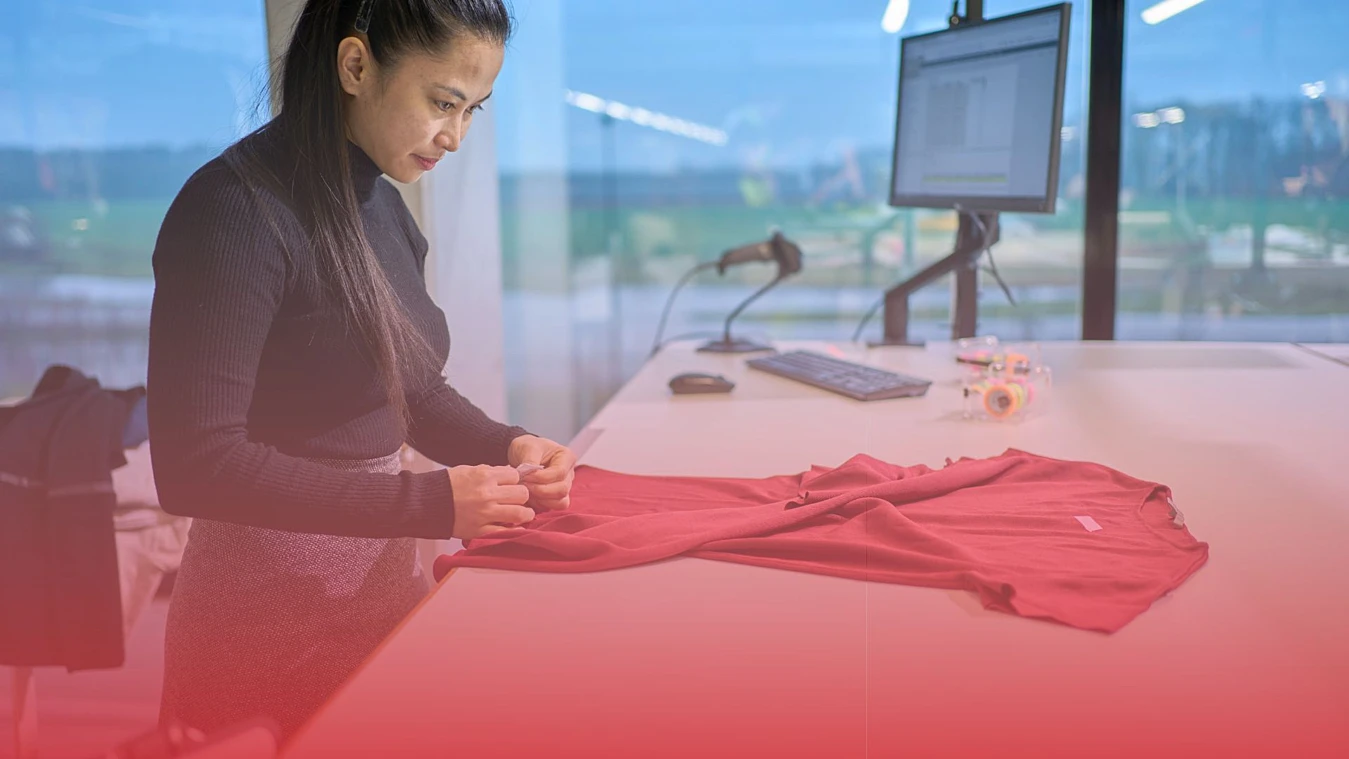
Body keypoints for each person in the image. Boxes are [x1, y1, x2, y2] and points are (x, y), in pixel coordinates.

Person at [145, 0, 574, 742]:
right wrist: (429, 505)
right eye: (443, 102)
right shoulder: (232, 210)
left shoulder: (378, 199)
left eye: (473, 109)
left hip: (381, 594)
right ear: (354, 65)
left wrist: (506, 446)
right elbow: (196, 465)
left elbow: (412, 388)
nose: (456, 135)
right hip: (259, 627)